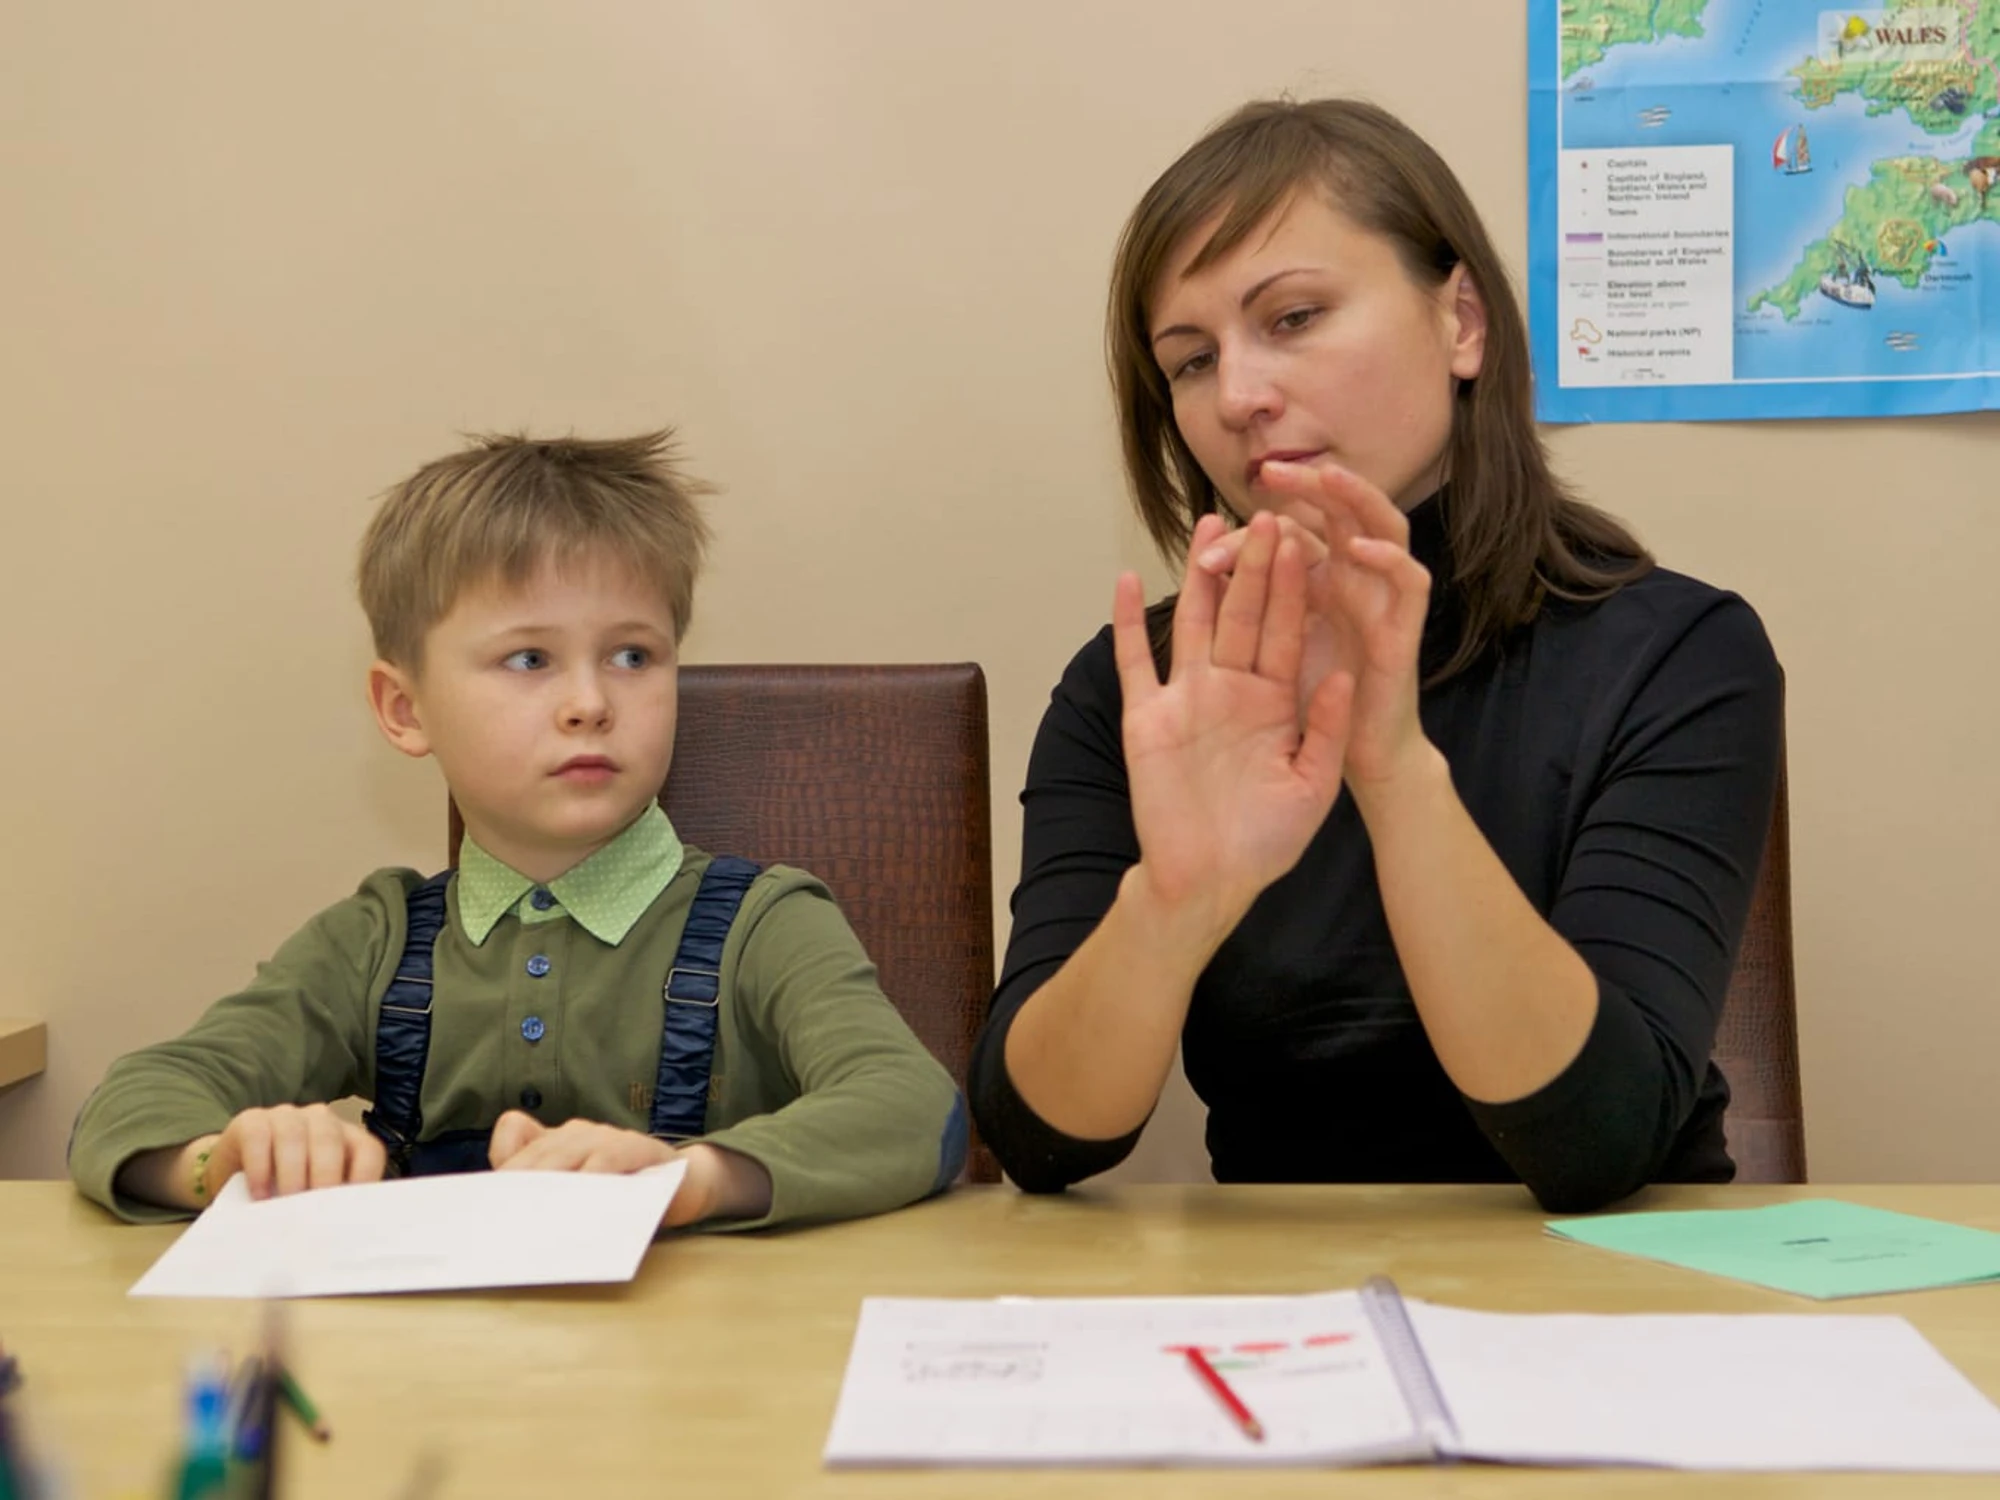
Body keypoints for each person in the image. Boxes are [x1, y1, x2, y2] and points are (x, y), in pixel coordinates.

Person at [968, 99, 1782, 1214]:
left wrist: (1390, 768)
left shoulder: (1679, 653)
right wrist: (1172, 900)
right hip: (1274, 1305)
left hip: (1608, 1300)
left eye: (1292, 317)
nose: (1241, 396)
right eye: (1191, 360)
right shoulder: (1144, 685)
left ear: (1461, 321)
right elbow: (1037, 1140)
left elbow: (1595, 1143)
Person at [70, 430, 966, 1229]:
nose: (589, 703)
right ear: (404, 707)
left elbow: (914, 1110)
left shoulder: (767, 925)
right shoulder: (372, 942)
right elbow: (130, 1104)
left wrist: (689, 1179)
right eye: (529, 659)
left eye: (632, 655)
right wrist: (223, 1160)